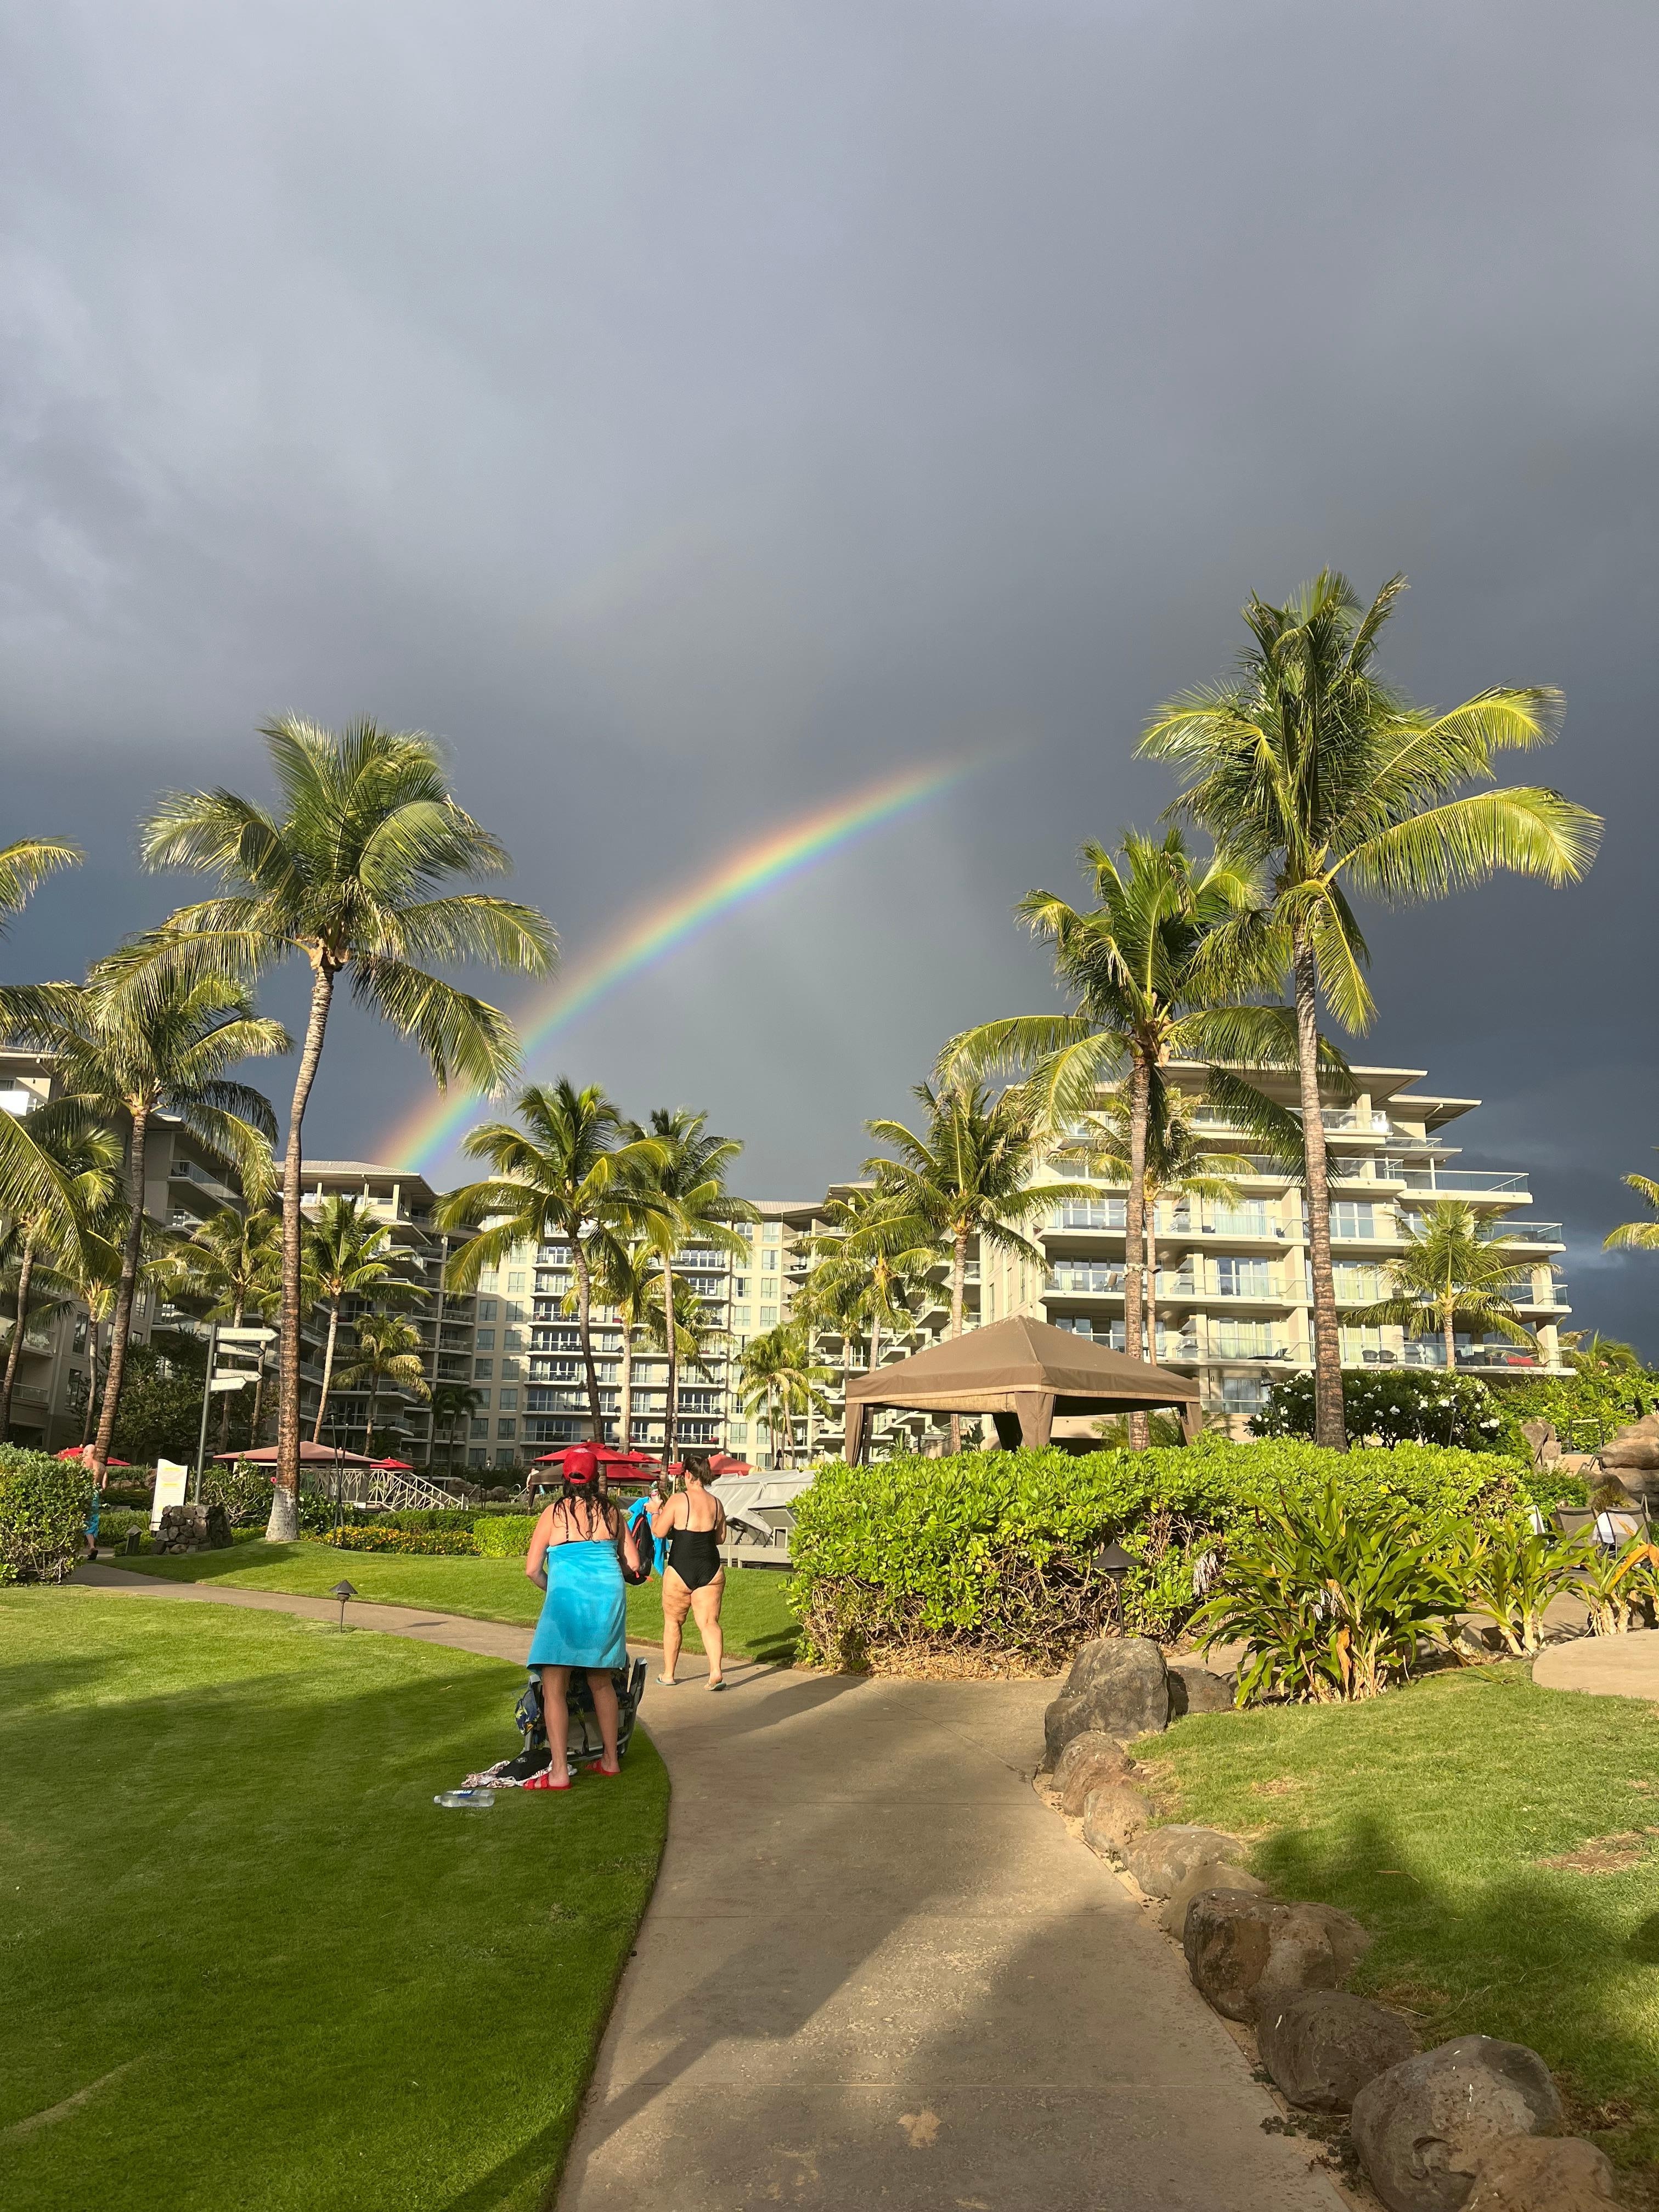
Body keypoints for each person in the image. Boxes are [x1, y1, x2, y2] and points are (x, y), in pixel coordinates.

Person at [522, 1444, 641, 1790]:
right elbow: (633, 1564)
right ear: (594, 1478)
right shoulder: (613, 1513)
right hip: (607, 1601)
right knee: (601, 1680)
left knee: (554, 1686)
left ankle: (559, 1772)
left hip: (566, 1602)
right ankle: (610, 1760)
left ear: (565, 1477)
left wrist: (555, 1589)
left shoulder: (553, 1513)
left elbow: (532, 1570)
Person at [650, 1452, 727, 1691]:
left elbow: (659, 1532)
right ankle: (715, 1671)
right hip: (710, 1568)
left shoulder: (678, 1500)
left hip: (680, 1568)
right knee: (708, 1622)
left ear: (687, 1475)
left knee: (673, 1621)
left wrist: (655, 1510)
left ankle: (669, 1674)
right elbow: (721, 1538)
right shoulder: (716, 1503)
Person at [625, 1477, 669, 1577]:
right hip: (654, 1531)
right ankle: (658, 1569)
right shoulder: (661, 1506)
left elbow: (632, 1510)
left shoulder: (645, 1503)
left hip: (649, 1532)